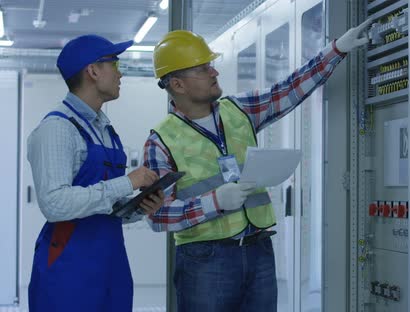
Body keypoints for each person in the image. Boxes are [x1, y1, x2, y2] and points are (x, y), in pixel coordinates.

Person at [143, 19, 372, 311]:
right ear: (177, 84)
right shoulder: (161, 141)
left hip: (258, 250)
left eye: (210, 65)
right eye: (202, 68)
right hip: (205, 262)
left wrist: (336, 49)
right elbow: (157, 215)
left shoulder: (239, 110)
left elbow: (289, 90)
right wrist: (214, 201)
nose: (213, 71)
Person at [27, 34, 165, 312]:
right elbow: (55, 204)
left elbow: (101, 208)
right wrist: (127, 182)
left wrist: (138, 208)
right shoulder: (58, 129)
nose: (120, 72)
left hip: (111, 263)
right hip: (69, 266)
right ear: (92, 71)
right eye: (114, 63)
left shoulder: (104, 129)